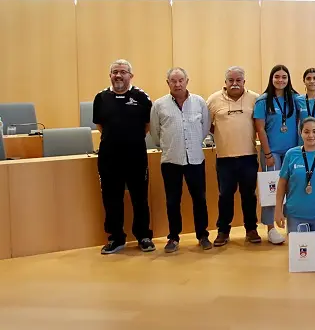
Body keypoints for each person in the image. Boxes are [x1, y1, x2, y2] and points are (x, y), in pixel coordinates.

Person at [93, 59, 154, 254]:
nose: (118, 75)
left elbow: (147, 126)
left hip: (135, 156)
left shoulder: (142, 97)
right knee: (111, 198)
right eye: (115, 72)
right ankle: (116, 237)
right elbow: (100, 125)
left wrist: (130, 140)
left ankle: (143, 236)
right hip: (109, 157)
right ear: (110, 75)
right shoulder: (101, 98)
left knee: (140, 198)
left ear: (131, 75)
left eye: (123, 72)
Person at [149, 67, 212, 252]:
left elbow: (205, 126)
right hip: (171, 161)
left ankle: (203, 235)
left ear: (187, 81)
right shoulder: (159, 105)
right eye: (173, 81)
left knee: (199, 199)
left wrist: (193, 144)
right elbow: (155, 133)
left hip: (195, 159)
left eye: (181, 80)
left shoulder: (199, 102)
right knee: (172, 201)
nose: (177, 84)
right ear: (167, 83)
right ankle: (173, 238)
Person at [207, 66, 261, 246]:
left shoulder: (255, 98)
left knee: (249, 195)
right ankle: (223, 231)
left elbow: (260, 124)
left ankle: (251, 229)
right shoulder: (214, 100)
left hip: (248, 157)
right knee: (225, 196)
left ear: (244, 82)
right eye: (231, 80)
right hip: (224, 159)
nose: (235, 83)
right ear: (225, 82)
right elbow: (207, 125)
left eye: (238, 80)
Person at [275, 117, 315, 266]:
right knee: (301, 260)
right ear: (300, 133)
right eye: (307, 132)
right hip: (296, 213)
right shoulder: (292, 154)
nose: (311, 135)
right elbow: (282, 183)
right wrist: (278, 210)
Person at [253, 65, 300, 245]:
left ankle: (291, 224)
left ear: (289, 80)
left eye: (284, 77)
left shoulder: (294, 99)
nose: (280, 80)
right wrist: (267, 152)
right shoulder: (263, 101)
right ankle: (270, 227)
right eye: (277, 77)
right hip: (271, 152)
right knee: (271, 189)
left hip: (292, 152)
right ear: (271, 79)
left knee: (292, 189)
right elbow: (260, 128)